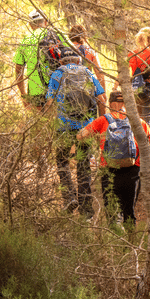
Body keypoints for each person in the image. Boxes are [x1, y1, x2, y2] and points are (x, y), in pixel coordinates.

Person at [77, 90, 150, 224]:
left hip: (109, 171)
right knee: (129, 213)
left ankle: (114, 241)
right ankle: (130, 242)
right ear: (127, 104)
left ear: (110, 104)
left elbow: (81, 136)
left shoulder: (103, 120)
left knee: (112, 214)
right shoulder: (138, 122)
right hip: (132, 171)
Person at [46, 48, 106, 217]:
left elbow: (50, 101)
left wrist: (48, 124)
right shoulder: (88, 72)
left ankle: (70, 198)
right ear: (78, 60)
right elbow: (101, 98)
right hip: (85, 128)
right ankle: (87, 211)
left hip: (64, 127)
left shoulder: (57, 74)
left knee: (62, 162)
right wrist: (101, 124)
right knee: (84, 167)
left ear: (61, 61)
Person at [13, 10, 57, 108]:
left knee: (41, 122)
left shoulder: (25, 40)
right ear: (45, 21)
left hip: (35, 91)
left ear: (30, 25)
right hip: (58, 89)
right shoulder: (56, 35)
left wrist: (23, 95)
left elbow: (18, 70)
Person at [69, 24, 106, 115]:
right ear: (84, 36)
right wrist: (103, 92)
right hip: (86, 85)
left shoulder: (65, 49)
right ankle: (102, 127)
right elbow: (100, 74)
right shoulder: (89, 50)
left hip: (69, 85)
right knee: (103, 103)